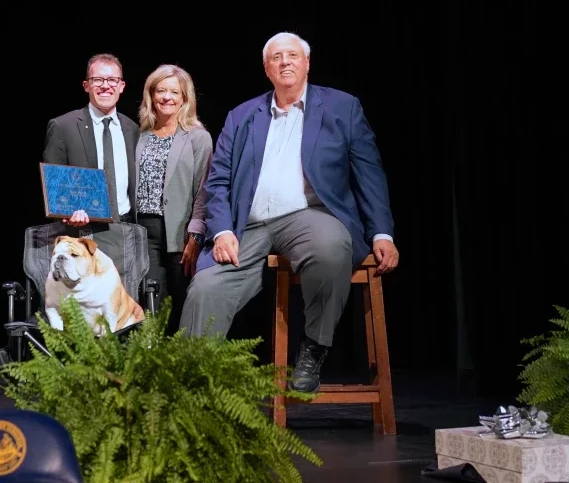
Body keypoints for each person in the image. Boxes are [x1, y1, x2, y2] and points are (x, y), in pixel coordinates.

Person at [178, 32, 400, 393]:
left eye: (293, 55)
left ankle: (313, 348)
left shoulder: (342, 107)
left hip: (307, 215)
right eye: (276, 57)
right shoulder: (242, 116)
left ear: (307, 63)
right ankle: (187, 385)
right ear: (266, 69)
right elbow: (217, 182)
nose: (285, 62)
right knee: (206, 286)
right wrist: (221, 231)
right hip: (247, 223)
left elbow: (369, 174)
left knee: (332, 248)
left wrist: (382, 233)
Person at [134, 64, 213, 331]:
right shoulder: (138, 136)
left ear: (184, 98)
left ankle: (183, 365)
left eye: (174, 92)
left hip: (180, 232)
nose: (167, 97)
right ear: (151, 95)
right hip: (143, 231)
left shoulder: (198, 138)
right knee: (151, 302)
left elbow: (204, 190)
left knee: (182, 301)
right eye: (160, 91)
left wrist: (196, 235)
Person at [43, 53, 140, 225]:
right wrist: (66, 214)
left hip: (127, 228)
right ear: (86, 85)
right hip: (81, 232)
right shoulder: (63, 126)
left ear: (122, 86)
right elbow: (54, 185)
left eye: (112, 80)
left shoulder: (132, 129)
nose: (105, 86)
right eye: (97, 80)